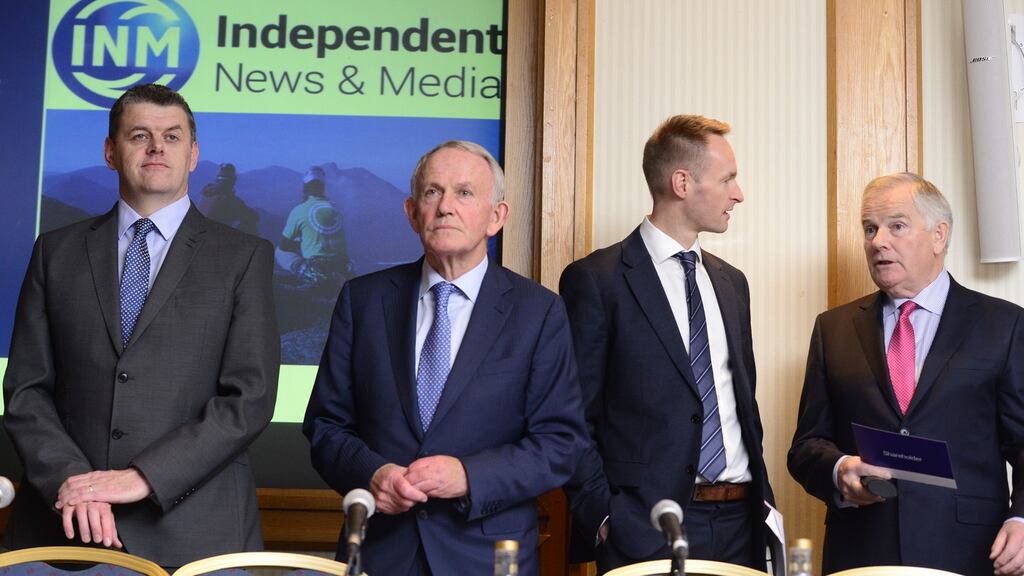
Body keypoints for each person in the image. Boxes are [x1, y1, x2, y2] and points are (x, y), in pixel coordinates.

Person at [2, 84, 280, 568]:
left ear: (193, 155)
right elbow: (26, 389)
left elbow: (249, 399)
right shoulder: (55, 252)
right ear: (111, 152)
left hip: (196, 534)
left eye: (172, 137)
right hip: (66, 527)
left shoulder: (243, 258)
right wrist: (73, 481)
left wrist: (143, 476)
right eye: (139, 135)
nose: (157, 148)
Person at [303, 140, 586, 576]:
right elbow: (325, 426)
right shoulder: (363, 301)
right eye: (432, 192)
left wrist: (469, 476)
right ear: (412, 212)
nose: (445, 207)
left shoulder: (539, 312)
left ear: (497, 217)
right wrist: (372, 472)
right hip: (381, 552)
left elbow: (561, 443)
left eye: (464, 192)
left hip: (488, 557)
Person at [560, 115, 775, 572]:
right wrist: (603, 516)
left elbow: (741, 407)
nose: (739, 193)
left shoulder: (732, 283)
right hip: (646, 530)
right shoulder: (596, 281)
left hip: (741, 524)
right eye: (728, 179)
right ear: (682, 182)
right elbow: (572, 418)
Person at [788, 172, 1024, 575]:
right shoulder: (833, 329)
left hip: (970, 553)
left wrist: (1022, 520)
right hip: (861, 551)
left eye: (896, 226)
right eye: (869, 229)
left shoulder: (1004, 325)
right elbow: (806, 445)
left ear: (938, 235)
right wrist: (839, 467)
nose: (878, 241)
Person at [276, 166, 350, 287]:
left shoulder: (299, 210)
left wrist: (300, 243)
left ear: (305, 187)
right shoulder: (336, 208)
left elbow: (284, 245)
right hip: (342, 264)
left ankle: (314, 275)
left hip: (318, 265)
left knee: (279, 251)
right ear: (323, 186)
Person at [198, 162, 259, 235]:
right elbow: (251, 215)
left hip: (199, 238)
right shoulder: (228, 200)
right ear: (232, 182)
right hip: (216, 240)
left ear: (217, 180)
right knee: (249, 223)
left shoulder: (206, 196)